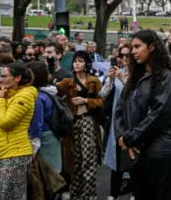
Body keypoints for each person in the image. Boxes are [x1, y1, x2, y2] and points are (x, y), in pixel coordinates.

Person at [114, 30, 171, 200]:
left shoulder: (166, 78)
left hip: (159, 151)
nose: (133, 51)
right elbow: (119, 110)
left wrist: (131, 138)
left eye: (138, 46)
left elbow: (159, 115)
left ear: (152, 47)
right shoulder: (135, 78)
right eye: (133, 47)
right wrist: (123, 138)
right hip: (135, 153)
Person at [56, 50, 103, 200]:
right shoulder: (67, 83)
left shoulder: (94, 81)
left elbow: (102, 102)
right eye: (75, 61)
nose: (77, 63)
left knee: (88, 160)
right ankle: (76, 194)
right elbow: (52, 90)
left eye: (80, 61)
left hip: (88, 121)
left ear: (87, 63)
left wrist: (86, 101)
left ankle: (89, 196)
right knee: (74, 161)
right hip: (72, 123)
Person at [0, 62, 38, 199]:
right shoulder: (6, 94)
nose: (0, 79)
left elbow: (5, 122)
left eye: (4, 76)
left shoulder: (24, 96)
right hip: (3, 153)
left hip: (15, 155)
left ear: (17, 78)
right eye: (0, 75)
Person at [100, 42, 131, 200]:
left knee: (132, 156)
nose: (124, 58)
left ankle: (135, 191)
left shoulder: (140, 74)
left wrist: (122, 79)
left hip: (132, 121)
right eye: (121, 55)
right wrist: (111, 79)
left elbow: (134, 96)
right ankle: (114, 193)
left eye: (127, 55)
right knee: (116, 156)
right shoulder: (119, 72)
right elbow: (102, 94)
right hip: (117, 120)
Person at [26, 61, 63, 173]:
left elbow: (37, 123)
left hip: (44, 138)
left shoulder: (37, 96)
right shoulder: (48, 91)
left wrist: (34, 146)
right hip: (52, 136)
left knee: (47, 175)